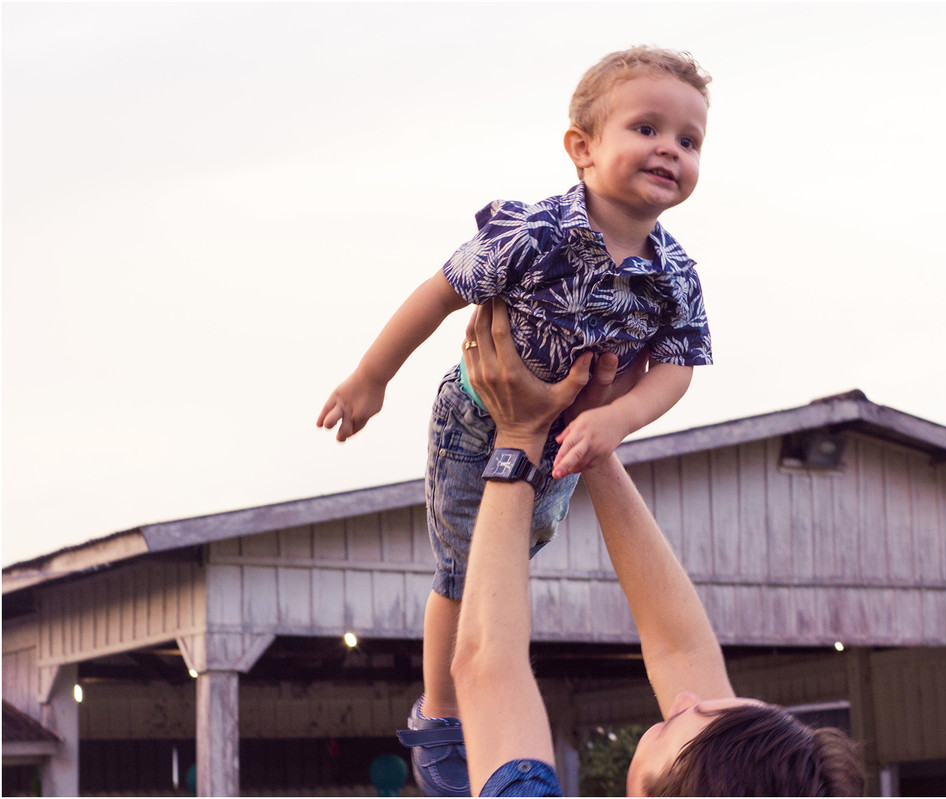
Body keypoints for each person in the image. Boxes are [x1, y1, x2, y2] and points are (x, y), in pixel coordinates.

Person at [317, 46, 714, 795]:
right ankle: (440, 714)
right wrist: (371, 378)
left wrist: (617, 420)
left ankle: (456, 707)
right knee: (467, 571)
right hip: (479, 422)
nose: (671, 149)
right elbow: (440, 292)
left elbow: (678, 366)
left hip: (570, 431)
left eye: (689, 141)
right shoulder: (533, 233)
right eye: (648, 128)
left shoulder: (676, 272)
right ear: (582, 148)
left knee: (513, 562)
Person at [453, 299, 865, 796]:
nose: (688, 695)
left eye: (688, 716)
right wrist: (584, 436)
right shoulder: (714, 773)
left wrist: (519, 436)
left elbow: (485, 663)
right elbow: (679, 647)